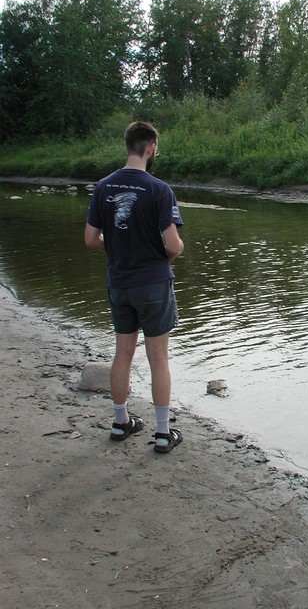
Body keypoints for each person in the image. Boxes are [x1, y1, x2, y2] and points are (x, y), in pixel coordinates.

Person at [84, 120, 184, 453]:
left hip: (120, 281)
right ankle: (161, 433)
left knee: (122, 353)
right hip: (153, 282)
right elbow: (173, 246)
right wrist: (157, 255)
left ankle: (120, 422)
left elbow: (90, 239)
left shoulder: (103, 187)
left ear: (127, 145)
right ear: (151, 147)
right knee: (158, 358)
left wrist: (120, 249)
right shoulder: (158, 189)